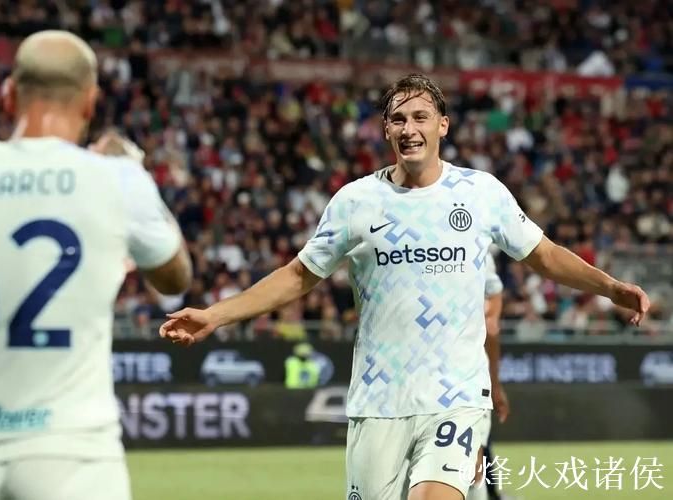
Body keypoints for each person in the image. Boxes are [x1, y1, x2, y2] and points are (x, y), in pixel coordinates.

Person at [159, 73, 648, 500]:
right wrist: (215, 315)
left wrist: (608, 287)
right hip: (378, 402)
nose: (409, 129)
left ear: (443, 125)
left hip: (457, 396)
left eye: (420, 117)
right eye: (398, 119)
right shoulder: (356, 202)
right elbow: (297, 275)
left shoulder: (481, 193)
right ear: (386, 130)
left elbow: (544, 254)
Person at [0, 31, 191, 500]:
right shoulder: (114, 180)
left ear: (9, 94)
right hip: (70, 451)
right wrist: (136, 176)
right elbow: (174, 278)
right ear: (90, 102)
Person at [468, 251, 508, 500]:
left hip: (420, 376)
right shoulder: (477, 250)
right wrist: (495, 385)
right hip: (469, 375)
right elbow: (491, 329)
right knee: (473, 464)